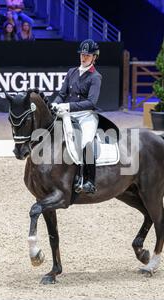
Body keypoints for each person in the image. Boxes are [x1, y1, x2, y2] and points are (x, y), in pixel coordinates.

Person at [51, 39, 102, 194]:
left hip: (86, 115)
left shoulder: (95, 77)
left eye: (87, 55)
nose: (83, 57)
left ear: (94, 57)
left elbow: (91, 103)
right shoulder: (71, 72)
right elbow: (62, 94)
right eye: (82, 54)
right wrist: (55, 103)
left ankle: (89, 180)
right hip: (69, 114)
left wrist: (67, 106)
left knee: (86, 141)